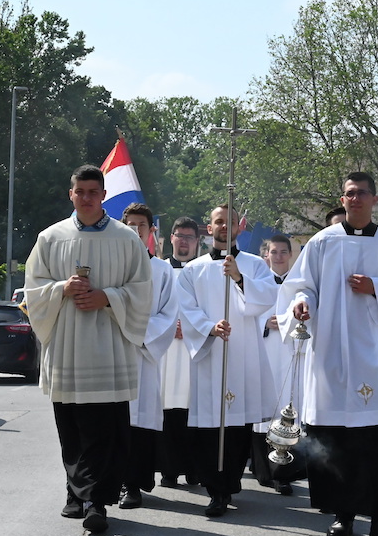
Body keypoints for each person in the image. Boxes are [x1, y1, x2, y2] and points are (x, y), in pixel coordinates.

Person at [279, 171, 378, 536]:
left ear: (374, 199)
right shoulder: (323, 241)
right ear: (342, 199)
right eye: (349, 193)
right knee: (336, 439)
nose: (355, 198)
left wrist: (377, 287)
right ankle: (342, 516)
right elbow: (301, 285)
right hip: (332, 350)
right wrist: (301, 304)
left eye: (362, 193)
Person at [24, 165, 152, 535]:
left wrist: (107, 297)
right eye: (80, 191)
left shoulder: (126, 239)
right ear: (71, 194)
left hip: (108, 348)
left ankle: (96, 501)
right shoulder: (50, 238)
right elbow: (33, 290)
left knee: (105, 430)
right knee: (71, 429)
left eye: (93, 192)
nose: (86, 198)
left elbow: (143, 290)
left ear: (104, 195)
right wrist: (61, 289)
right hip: (67, 346)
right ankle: (74, 492)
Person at [178, 204, 278, 517]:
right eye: (218, 222)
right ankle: (215, 490)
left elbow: (267, 297)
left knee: (237, 426)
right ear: (209, 229)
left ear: (239, 227)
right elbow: (186, 308)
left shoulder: (254, 265)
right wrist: (209, 327)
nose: (224, 226)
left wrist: (239, 279)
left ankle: (231, 481)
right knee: (211, 426)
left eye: (230, 221)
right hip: (211, 355)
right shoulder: (193, 270)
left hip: (243, 354)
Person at [119, 203, 178, 509]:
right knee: (113, 423)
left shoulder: (162, 270)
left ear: (151, 230)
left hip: (143, 357)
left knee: (139, 422)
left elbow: (168, 316)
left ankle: (133, 485)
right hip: (113, 354)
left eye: (142, 225)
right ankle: (109, 482)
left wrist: (136, 331)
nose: (136, 230)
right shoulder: (112, 266)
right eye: (131, 224)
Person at [251, 233, 299, 496]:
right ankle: (262, 470)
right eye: (273, 252)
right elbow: (249, 313)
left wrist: (289, 322)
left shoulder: (299, 284)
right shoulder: (259, 283)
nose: (278, 257)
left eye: (283, 252)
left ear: (290, 255)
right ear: (266, 255)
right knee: (264, 410)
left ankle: (283, 474)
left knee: (286, 410)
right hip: (265, 350)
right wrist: (264, 322)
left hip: (290, 352)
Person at [158, 216, 201, 488]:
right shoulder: (160, 270)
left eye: (189, 237)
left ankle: (194, 469)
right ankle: (168, 469)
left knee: (192, 411)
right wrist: (167, 327)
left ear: (197, 242)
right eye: (180, 235)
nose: (184, 241)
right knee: (166, 411)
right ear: (171, 238)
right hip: (165, 351)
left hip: (193, 350)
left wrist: (192, 327)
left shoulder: (204, 271)